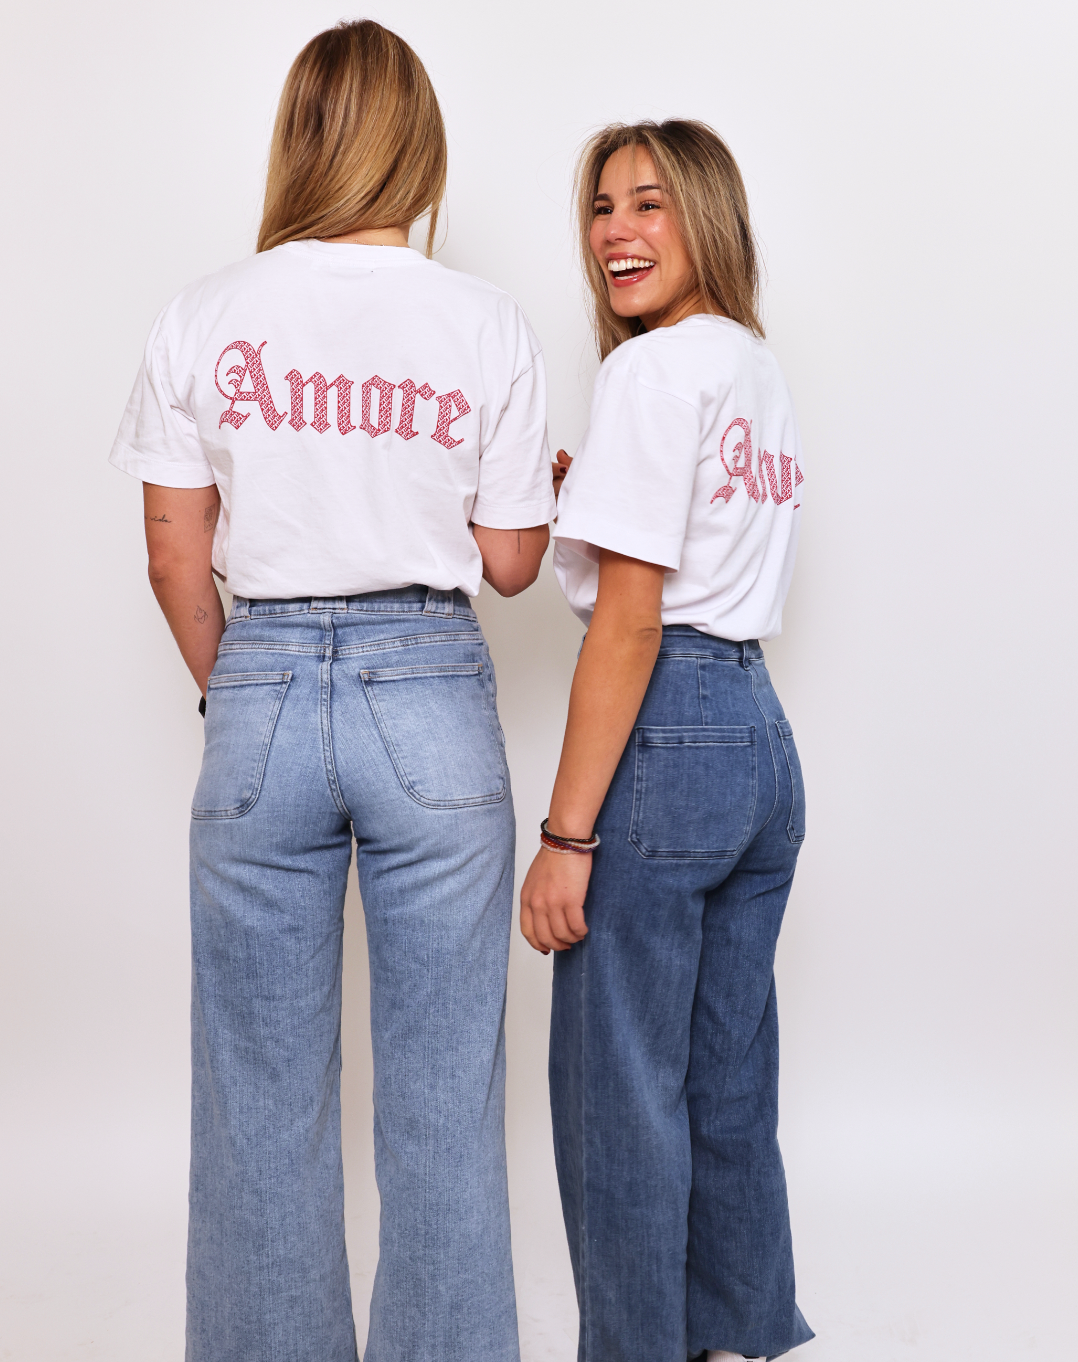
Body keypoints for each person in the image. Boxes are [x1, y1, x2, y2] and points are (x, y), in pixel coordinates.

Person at [110, 21, 553, 1362]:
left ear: (297, 139)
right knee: (441, 1101)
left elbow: (174, 552)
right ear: (417, 146)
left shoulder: (205, 310)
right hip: (428, 691)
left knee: (257, 1099)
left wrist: (241, 685)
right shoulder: (482, 320)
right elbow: (513, 562)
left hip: (259, 682)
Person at [519, 121, 814, 1362]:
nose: (617, 233)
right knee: (724, 1080)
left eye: (649, 204)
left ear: (708, 217)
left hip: (670, 728)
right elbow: (697, 545)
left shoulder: (651, 372)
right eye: (599, 209)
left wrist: (565, 833)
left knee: (618, 1094)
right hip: (755, 737)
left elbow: (633, 622)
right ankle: (730, 1340)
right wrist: (596, 491)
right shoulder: (749, 364)